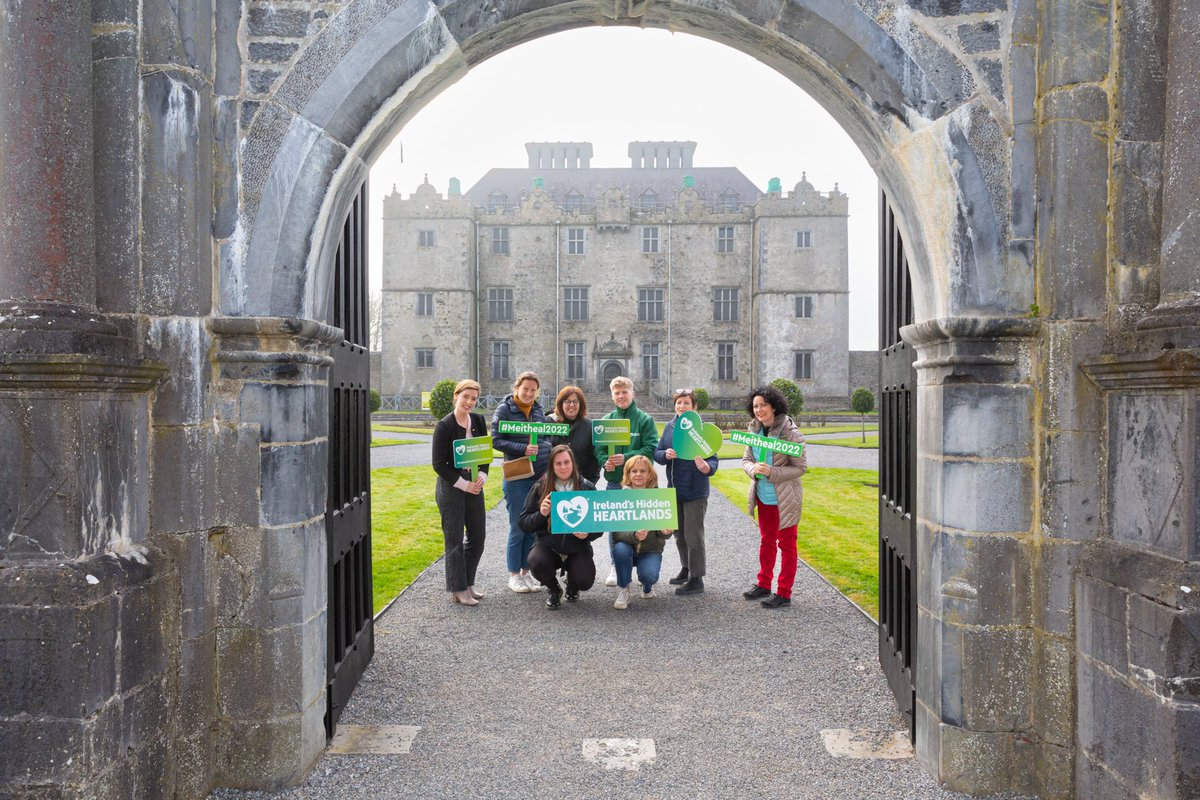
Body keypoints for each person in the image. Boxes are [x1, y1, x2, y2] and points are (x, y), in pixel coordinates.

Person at [740, 385, 808, 609]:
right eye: (755, 406)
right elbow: (746, 460)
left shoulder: (790, 432)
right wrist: (753, 469)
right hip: (763, 497)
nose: (759, 410)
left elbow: (800, 468)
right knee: (766, 541)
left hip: (784, 499)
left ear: (774, 406)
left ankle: (784, 593)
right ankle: (764, 584)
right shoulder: (754, 431)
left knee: (787, 545)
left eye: (763, 405)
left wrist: (772, 472)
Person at [592, 376, 659, 586]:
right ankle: (615, 565)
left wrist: (628, 457)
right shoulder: (606, 421)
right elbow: (599, 450)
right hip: (615, 482)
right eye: (617, 393)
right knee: (617, 528)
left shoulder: (644, 420)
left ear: (633, 393)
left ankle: (643, 565)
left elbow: (650, 449)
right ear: (612, 396)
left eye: (624, 392)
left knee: (641, 525)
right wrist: (605, 462)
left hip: (640, 484)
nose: (621, 396)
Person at [519, 445, 603, 609]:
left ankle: (572, 585)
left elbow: (599, 526)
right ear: (552, 465)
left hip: (577, 547)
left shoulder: (587, 488)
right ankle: (554, 589)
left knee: (585, 580)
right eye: (558, 463)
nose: (563, 467)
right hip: (549, 546)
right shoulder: (540, 486)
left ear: (573, 463)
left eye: (566, 462)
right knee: (535, 561)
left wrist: (587, 535)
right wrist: (541, 514)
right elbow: (523, 522)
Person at [654, 388, 719, 596]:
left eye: (686, 403)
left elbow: (713, 459)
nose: (682, 407)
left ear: (694, 406)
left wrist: (707, 467)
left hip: (695, 490)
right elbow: (657, 453)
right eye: (679, 403)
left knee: (693, 536)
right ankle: (686, 568)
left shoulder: (701, 429)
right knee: (679, 534)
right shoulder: (670, 426)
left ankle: (697, 577)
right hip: (674, 489)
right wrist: (666, 454)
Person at [491, 371, 552, 593]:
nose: (528, 393)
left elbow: (544, 436)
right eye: (525, 389)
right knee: (518, 527)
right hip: (517, 476)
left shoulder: (537, 409)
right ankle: (514, 574)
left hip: (537, 477)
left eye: (533, 390)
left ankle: (526, 573)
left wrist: (545, 450)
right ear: (517, 388)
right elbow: (496, 440)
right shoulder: (505, 409)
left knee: (532, 526)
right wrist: (522, 449)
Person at [430, 379, 489, 606]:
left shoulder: (478, 421)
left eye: (474, 399)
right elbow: (439, 464)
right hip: (451, 486)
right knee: (454, 538)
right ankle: (458, 589)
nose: (469, 402)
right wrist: (464, 484)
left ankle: (468, 582)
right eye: (465, 397)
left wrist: (482, 477)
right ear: (456, 396)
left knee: (478, 536)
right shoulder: (444, 426)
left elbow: (483, 453)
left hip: (475, 483)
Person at [610, 455, 673, 609]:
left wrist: (666, 531)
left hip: (650, 549)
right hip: (628, 548)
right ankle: (624, 589)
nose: (638, 474)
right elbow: (616, 534)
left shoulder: (660, 497)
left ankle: (647, 587)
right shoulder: (620, 498)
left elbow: (666, 533)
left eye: (643, 471)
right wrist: (635, 535)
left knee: (649, 576)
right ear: (628, 474)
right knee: (619, 549)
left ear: (649, 474)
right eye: (634, 471)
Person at [547, 385, 599, 483]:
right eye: (567, 401)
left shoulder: (589, 426)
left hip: (580, 483)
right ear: (560, 404)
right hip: (552, 482)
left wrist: (589, 483)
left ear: (581, 404)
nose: (571, 405)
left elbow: (594, 460)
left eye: (575, 402)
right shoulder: (549, 423)